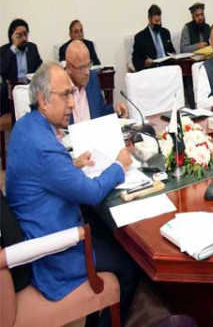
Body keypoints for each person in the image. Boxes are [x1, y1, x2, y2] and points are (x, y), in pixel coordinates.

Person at [5, 62, 139, 325]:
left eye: (72, 94)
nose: (71, 103)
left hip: (39, 227)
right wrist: (118, 165)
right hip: (53, 254)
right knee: (131, 264)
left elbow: (43, 173)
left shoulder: (26, 126)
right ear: (42, 100)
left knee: (108, 231)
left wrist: (71, 165)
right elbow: (92, 192)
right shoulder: (45, 148)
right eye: (65, 95)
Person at [65, 40, 127, 123]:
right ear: (69, 68)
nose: (87, 72)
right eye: (82, 68)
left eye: (88, 65)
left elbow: (100, 112)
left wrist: (115, 108)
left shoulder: (92, 78)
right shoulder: (58, 87)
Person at [0, 18, 43, 115]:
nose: (24, 38)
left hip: (30, 87)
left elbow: (40, 67)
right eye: (19, 35)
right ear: (12, 36)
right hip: (11, 89)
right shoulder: (4, 50)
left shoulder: (32, 48)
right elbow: (3, 71)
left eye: (25, 34)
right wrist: (13, 48)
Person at [131, 4, 176, 71]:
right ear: (149, 19)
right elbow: (135, 60)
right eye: (156, 21)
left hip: (167, 68)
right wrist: (145, 63)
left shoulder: (165, 32)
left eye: (159, 20)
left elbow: (172, 50)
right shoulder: (140, 37)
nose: (158, 23)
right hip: (152, 70)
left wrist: (173, 55)